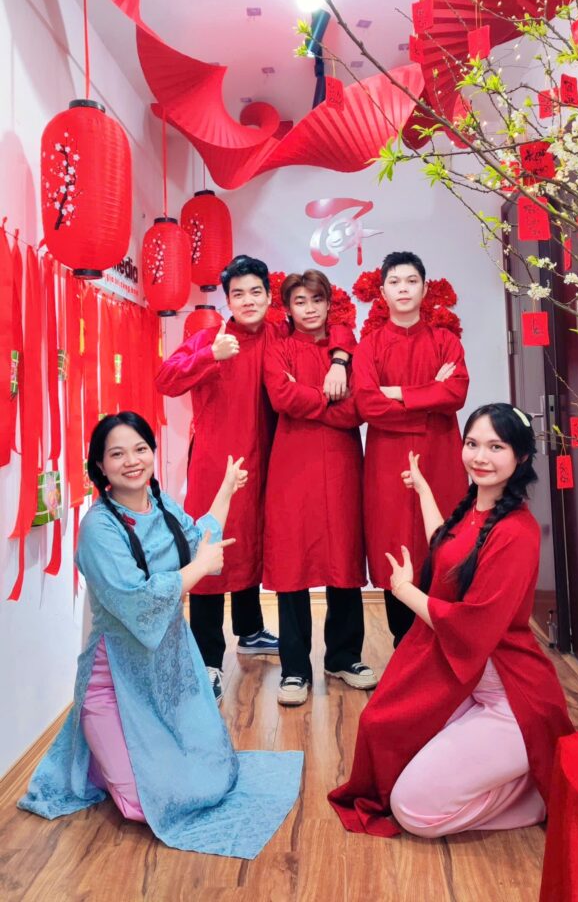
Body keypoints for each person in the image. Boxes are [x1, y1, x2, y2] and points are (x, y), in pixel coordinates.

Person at [18, 412, 303, 859]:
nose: (132, 461)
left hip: (169, 668)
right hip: (114, 681)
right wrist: (199, 568)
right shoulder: (98, 529)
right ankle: (99, 755)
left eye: (140, 449)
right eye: (117, 454)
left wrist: (227, 490)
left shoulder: (160, 503)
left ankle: (126, 754)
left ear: (152, 452)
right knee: (143, 804)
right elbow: (138, 600)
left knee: (212, 778)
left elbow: (198, 538)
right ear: (100, 465)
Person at [328, 403, 574, 838]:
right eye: (472, 444)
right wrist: (423, 490)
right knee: (390, 729)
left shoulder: (517, 532)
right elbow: (449, 548)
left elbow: (471, 626)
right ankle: (523, 779)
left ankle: (532, 798)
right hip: (471, 685)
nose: (480, 457)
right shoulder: (476, 513)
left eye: (495, 447)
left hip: (513, 701)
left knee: (411, 811)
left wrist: (405, 591)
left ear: (520, 456)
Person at [156, 254, 352, 701]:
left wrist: (340, 359)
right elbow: (165, 379)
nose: (248, 300)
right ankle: (208, 658)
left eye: (256, 292)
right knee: (213, 549)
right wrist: (208, 355)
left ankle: (250, 629)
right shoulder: (211, 338)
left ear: (269, 296)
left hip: (273, 461)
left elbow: (337, 327)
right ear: (227, 300)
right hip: (217, 463)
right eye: (238, 294)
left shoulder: (281, 335)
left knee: (256, 542)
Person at [263, 270, 377, 706]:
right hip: (292, 465)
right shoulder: (279, 349)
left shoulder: (347, 350)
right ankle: (295, 668)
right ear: (287, 308)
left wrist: (309, 396)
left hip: (342, 465)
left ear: (329, 304)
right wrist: (327, 397)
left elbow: (357, 410)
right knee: (292, 563)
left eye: (316, 300)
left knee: (343, 557)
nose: (309, 309)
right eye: (300, 301)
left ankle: (344, 656)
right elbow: (281, 398)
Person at [352, 250, 469, 645]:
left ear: (424, 288)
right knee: (394, 542)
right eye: (395, 282)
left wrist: (398, 392)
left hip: (440, 457)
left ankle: (446, 643)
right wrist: (429, 397)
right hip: (387, 460)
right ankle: (403, 646)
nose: (403, 289)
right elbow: (367, 405)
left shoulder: (445, 341)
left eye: (411, 281)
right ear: (382, 292)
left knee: (443, 541)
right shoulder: (369, 346)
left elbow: (456, 393)